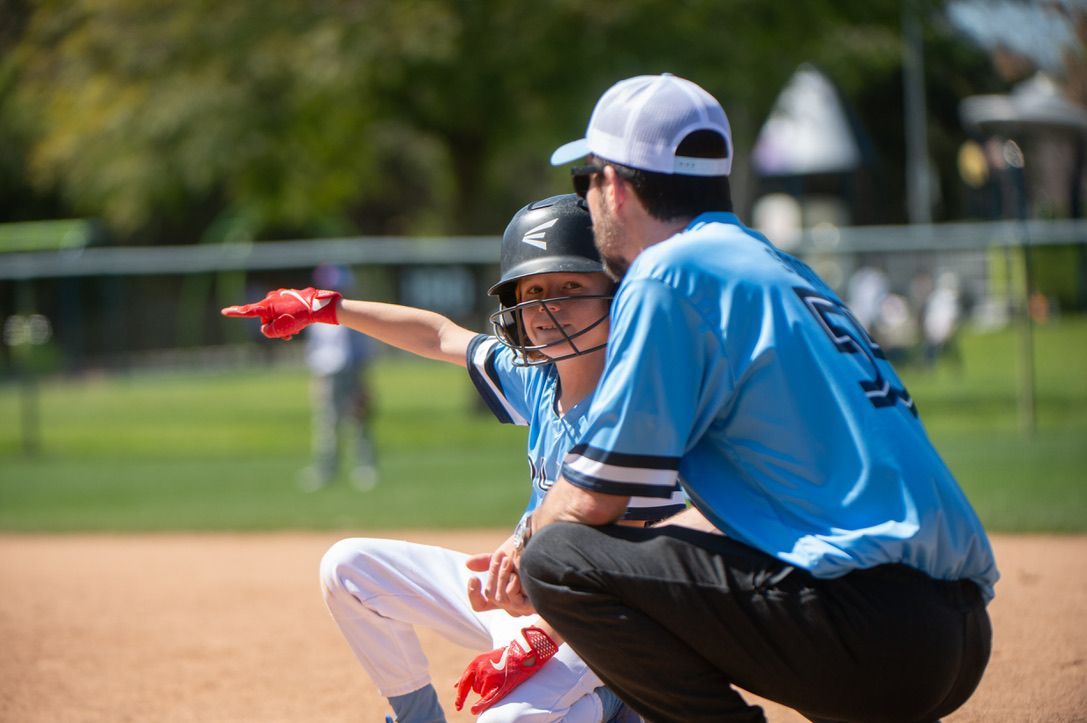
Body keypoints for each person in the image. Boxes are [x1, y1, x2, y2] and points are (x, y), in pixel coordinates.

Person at [478, 74, 999, 723]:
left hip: (873, 635)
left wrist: (524, 539)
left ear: (612, 182)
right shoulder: (772, 265)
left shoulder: (666, 272)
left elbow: (594, 494)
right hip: (956, 632)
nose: (584, 200)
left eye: (586, 180)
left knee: (558, 559)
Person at [222, 194, 684, 722]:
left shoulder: (640, 405)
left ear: (617, 295)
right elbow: (440, 335)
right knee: (349, 568)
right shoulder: (537, 378)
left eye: (571, 287)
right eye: (532, 290)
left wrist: (537, 636)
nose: (546, 307)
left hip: (610, 626)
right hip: (524, 594)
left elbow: (628, 559)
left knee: (506, 719)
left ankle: (616, 704)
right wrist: (330, 308)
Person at [300, 263, 380, 491]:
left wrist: (365, 381)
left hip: (351, 370)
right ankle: (326, 468)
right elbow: (315, 350)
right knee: (326, 423)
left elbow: (362, 349)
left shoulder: (352, 312)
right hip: (326, 373)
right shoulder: (315, 316)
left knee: (358, 421)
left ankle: (365, 467)